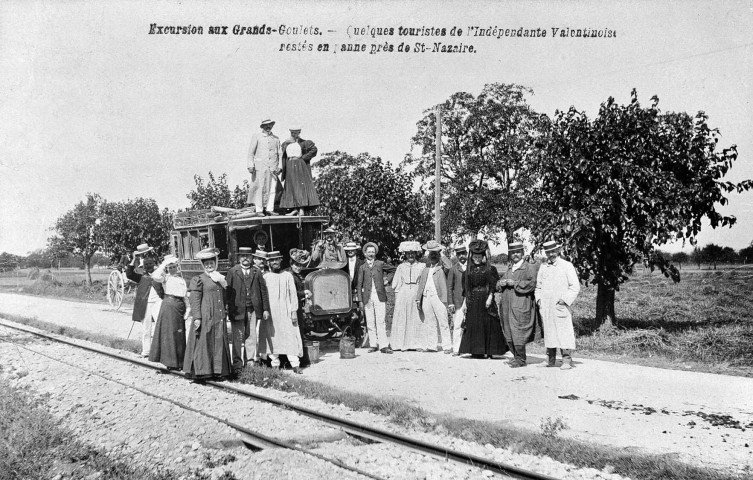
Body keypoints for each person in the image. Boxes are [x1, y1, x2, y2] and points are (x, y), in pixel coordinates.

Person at [184, 248, 233, 381]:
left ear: (215, 263)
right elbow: (194, 299)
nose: (209, 266)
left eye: (211, 263)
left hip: (218, 315)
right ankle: (202, 371)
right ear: (203, 265)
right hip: (206, 315)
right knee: (204, 341)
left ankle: (218, 371)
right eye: (207, 264)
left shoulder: (220, 277)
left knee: (218, 341)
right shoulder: (198, 279)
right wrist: (197, 317)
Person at [535, 240, 581, 370]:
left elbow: (574, 287)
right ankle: (550, 359)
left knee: (563, 331)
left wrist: (564, 300)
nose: (551, 254)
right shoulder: (543, 267)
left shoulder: (567, 266)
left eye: (553, 251)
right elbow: (538, 287)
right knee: (549, 332)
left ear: (558, 251)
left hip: (560, 305)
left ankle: (566, 360)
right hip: (547, 306)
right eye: (548, 252)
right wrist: (539, 300)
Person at [458, 240, 507, 358]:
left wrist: (490, 298)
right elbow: (466, 289)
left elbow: (492, 286)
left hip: (486, 298)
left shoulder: (490, 269)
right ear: (472, 257)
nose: (477, 259)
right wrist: (465, 304)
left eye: (479, 256)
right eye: (475, 256)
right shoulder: (467, 271)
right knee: (475, 324)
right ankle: (477, 351)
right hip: (473, 300)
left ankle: (490, 351)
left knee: (489, 323)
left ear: (483, 256)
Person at [258, 251, 304, 373]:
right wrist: (265, 310)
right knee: (273, 338)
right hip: (272, 314)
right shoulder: (265, 277)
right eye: (272, 260)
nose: (275, 262)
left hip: (286, 312)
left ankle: (295, 365)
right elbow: (263, 296)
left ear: (280, 260)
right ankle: (275, 365)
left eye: (277, 260)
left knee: (290, 336)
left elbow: (293, 294)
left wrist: (294, 311)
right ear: (268, 262)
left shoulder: (287, 276)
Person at [225, 247, 270, 373]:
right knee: (237, 336)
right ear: (239, 258)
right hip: (237, 310)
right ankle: (237, 363)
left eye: (248, 256)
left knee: (251, 335)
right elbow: (227, 293)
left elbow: (263, 291)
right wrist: (227, 309)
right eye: (243, 256)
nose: (245, 258)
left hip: (253, 309)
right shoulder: (233, 271)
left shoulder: (257, 272)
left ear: (252, 258)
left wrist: (265, 309)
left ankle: (249, 361)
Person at [497, 242, 540, 368]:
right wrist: (501, 283)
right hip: (506, 305)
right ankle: (516, 356)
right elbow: (498, 285)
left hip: (521, 304)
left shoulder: (528, 267)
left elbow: (532, 284)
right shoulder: (510, 268)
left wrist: (515, 283)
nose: (515, 255)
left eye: (518, 252)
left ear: (522, 253)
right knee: (508, 330)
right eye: (512, 252)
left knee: (518, 331)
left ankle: (521, 359)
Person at [149, 255, 188, 370]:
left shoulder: (181, 280)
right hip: (169, 306)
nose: (172, 269)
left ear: (177, 267)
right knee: (169, 333)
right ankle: (171, 362)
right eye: (170, 268)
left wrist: (188, 310)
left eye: (174, 267)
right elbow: (155, 276)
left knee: (179, 334)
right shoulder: (165, 278)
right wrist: (164, 264)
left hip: (180, 307)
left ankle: (180, 361)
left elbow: (185, 297)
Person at [356, 242, 396, 353]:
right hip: (367, 297)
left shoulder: (380, 264)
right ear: (365, 253)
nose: (371, 254)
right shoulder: (362, 267)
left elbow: (393, 269)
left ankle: (383, 345)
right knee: (370, 321)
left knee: (381, 321)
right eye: (369, 252)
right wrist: (360, 300)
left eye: (373, 252)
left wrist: (387, 280)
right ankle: (373, 344)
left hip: (380, 295)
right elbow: (359, 285)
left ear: (375, 253)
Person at [125, 243, 162, 358]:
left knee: (159, 326)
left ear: (154, 264)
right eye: (146, 264)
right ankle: (146, 351)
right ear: (143, 266)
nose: (149, 265)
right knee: (146, 329)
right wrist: (133, 259)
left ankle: (159, 352)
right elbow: (129, 274)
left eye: (151, 263)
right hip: (145, 304)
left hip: (158, 302)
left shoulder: (159, 274)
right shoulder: (140, 276)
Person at [415, 240, 452, 352]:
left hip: (439, 297)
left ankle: (447, 346)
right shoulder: (425, 268)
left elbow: (449, 266)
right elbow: (421, 284)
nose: (433, 256)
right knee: (429, 321)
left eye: (435, 254)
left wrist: (440, 253)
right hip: (426, 297)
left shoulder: (442, 267)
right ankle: (432, 345)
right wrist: (418, 299)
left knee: (443, 321)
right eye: (431, 254)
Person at [389, 241, 425, 351]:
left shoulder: (422, 266)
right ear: (405, 254)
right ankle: (400, 344)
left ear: (416, 254)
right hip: (403, 293)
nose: (410, 255)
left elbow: (423, 282)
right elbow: (396, 283)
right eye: (408, 253)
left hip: (416, 291)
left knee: (416, 317)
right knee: (402, 317)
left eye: (413, 253)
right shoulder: (401, 267)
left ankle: (416, 344)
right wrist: (397, 297)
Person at [246, 118, 283, 216]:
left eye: (270, 125)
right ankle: (259, 210)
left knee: (272, 189)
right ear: (262, 126)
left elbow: (280, 154)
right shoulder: (257, 137)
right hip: (260, 167)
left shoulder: (276, 138)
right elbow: (251, 153)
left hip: (273, 168)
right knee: (260, 187)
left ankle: (269, 209)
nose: (268, 127)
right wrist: (250, 165)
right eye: (266, 125)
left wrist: (280, 166)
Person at [280, 126, 319, 216]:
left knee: (299, 187)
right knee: (291, 186)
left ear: (299, 133)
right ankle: (294, 209)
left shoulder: (304, 142)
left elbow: (314, 150)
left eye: (295, 133)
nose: (294, 134)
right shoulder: (287, 143)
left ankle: (301, 209)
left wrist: (303, 158)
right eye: (292, 133)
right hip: (290, 164)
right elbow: (282, 154)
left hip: (299, 164)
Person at [284, 248, 313, 368]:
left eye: (300, 266)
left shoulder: (295, 274)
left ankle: (299, 360)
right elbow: (291, 292)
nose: (298, 267)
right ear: (291, 264)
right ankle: (295, 361)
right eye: (296, 265)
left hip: (297, 306)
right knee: (294, 333)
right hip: (291, 308)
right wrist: (304, 293)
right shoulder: (289, 275)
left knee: (298, 333)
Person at [447, 243, 468, 355]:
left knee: (470, 325)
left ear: (466, 253)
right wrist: (451, 303)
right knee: (457, 325)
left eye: (463, 254)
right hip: (458, 301)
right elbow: (449, 287)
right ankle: (456, 348)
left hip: (471, 300)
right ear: (456, 255)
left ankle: (469, 349)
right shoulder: (454, 269)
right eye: (459, 254)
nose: (461, 256)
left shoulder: (472, 267)